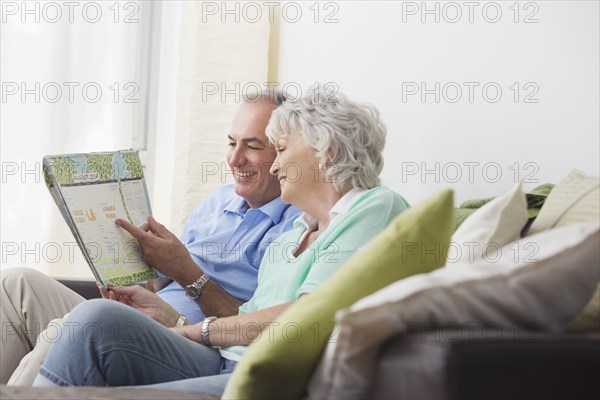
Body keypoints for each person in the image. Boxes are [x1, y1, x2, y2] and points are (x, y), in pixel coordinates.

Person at [33, 87, 410, 396]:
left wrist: (190, 329)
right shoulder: (297, 233)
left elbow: (303, 319)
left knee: (92, 321)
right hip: (223, 357)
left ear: (324, 153)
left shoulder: (374, 206)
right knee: (97, 319)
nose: (275, 167)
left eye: (279, 150)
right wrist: (168, 316)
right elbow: (245, 321)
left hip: (271, 376)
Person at [0, 89, 301, 385]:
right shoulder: (218, 201)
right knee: (15, 284)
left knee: (68, 326)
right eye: (232, 143)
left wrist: (187, 273)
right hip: (150, 319)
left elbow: (261, 325)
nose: (234, 159)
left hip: (199, 345)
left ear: (285, 151)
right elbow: (161, 284)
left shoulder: (298, 228)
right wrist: (133, 265)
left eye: (253, 146)